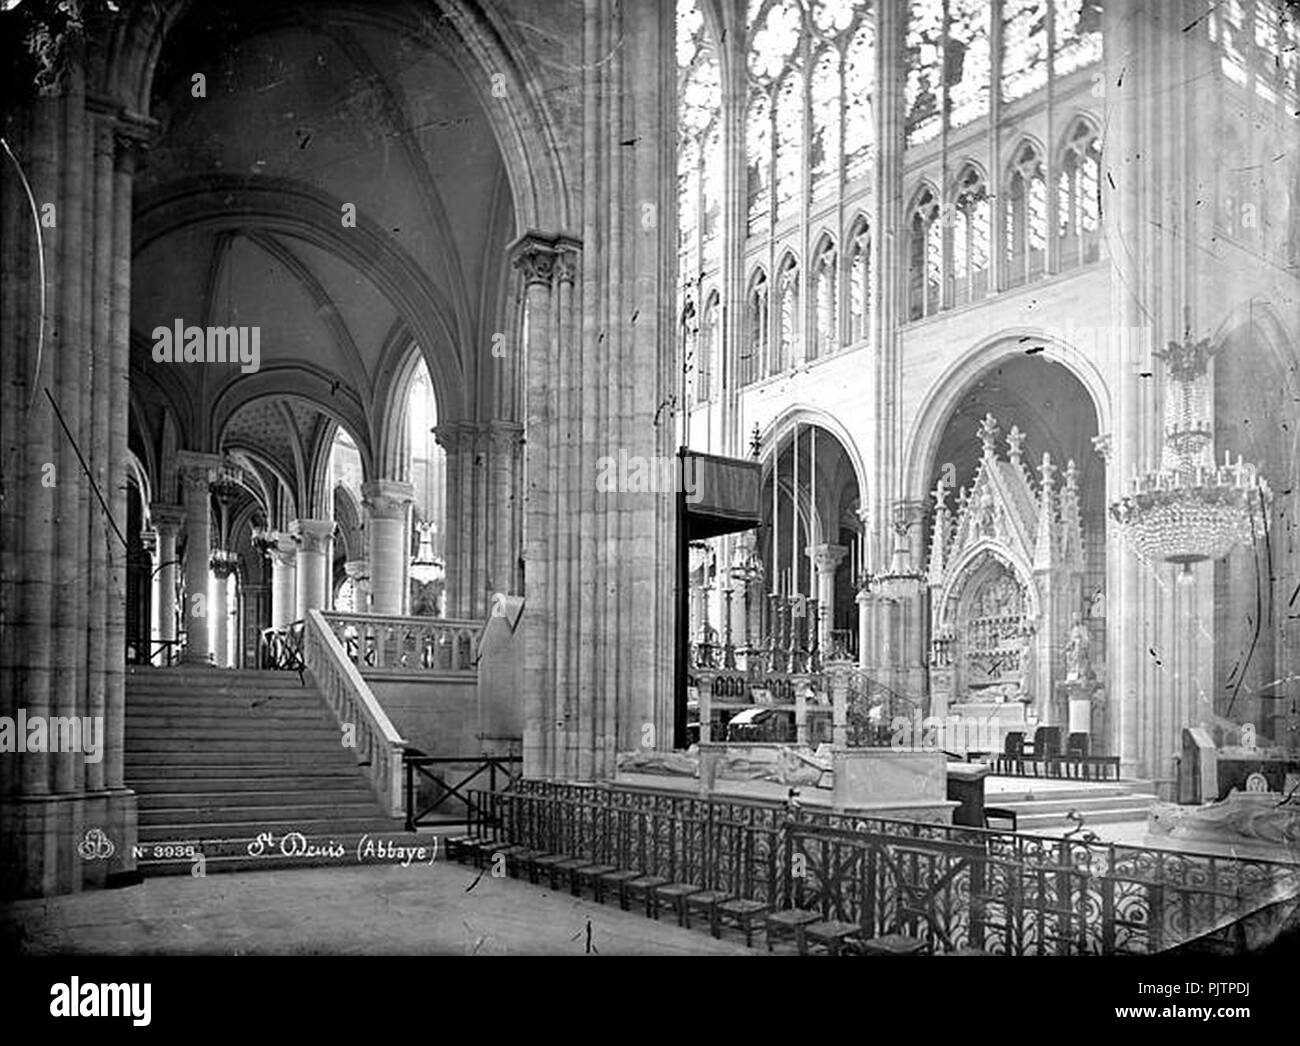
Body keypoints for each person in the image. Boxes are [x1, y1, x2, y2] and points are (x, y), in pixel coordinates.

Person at [1065, 612, 1093, 681]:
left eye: (1077, 618)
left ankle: (1081, 674)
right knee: (1069, 655)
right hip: (1073, 649)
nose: (1075, 620)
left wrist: (1079, 641)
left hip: (1080, 648)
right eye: (1074, 618)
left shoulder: (1083, 628)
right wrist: (1069, 644)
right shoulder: (1072, 629)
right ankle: (1073, 672)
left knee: (1079, 656)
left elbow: (1087, 639)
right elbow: (1070, 640)